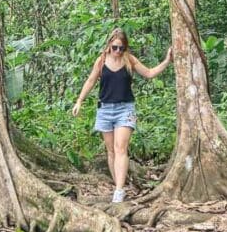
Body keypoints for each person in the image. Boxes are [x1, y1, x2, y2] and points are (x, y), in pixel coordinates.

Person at [71, 28, 172, 203]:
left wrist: (167, 61)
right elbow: (90, 80)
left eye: (122, 48)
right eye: (116, 47)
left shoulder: (129, 60)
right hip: (105, 109)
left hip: (125, 109)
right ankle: (118, 183)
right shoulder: (101, 61)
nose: (118, 51)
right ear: (110, 44)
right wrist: (79, 100)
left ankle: (119, 191)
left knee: (120, 148)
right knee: (111, 151)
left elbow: (148, 73)